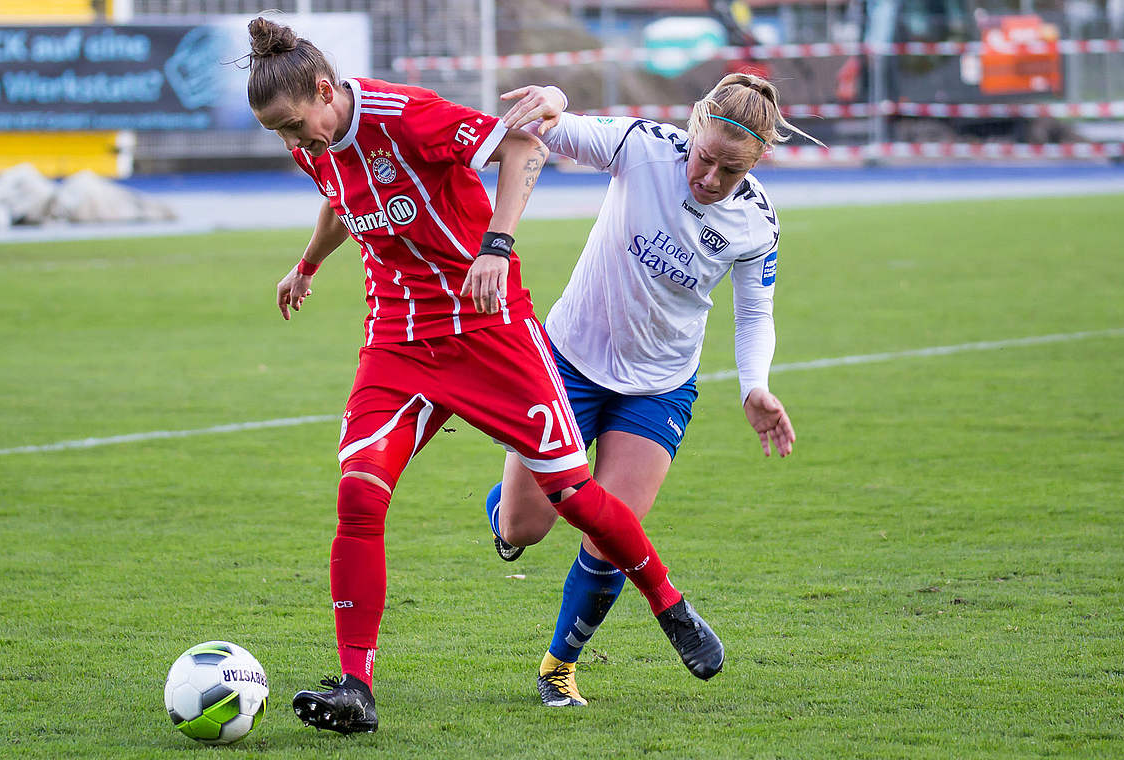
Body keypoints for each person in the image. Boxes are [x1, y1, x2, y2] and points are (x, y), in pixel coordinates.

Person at [243, 16, 724, 735]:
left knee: (574, 497)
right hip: (399, 342)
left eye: (293, 125)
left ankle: (668, 602)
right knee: (358, 492)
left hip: (488, 329)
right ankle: (355, 686)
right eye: (279, 133)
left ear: (324, 89)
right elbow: (342, 197)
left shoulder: (406, 116)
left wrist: (496, 245)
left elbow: (522, 143)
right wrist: (307, 263)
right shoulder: (315, 142)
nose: (292, 142)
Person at [484, 73, 808, 707]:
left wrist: (755, 387)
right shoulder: (643, 146)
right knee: (525, 529)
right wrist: (554, 102)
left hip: (659, 385)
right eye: (705, 158)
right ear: (692, 129)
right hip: (567, 361)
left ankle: (558, 667)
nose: (711, 178)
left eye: (731, 171)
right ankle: (510, 506)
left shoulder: (756, 222)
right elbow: (559, 133)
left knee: (613, 532)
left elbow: (753, 314)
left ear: (759, 161)